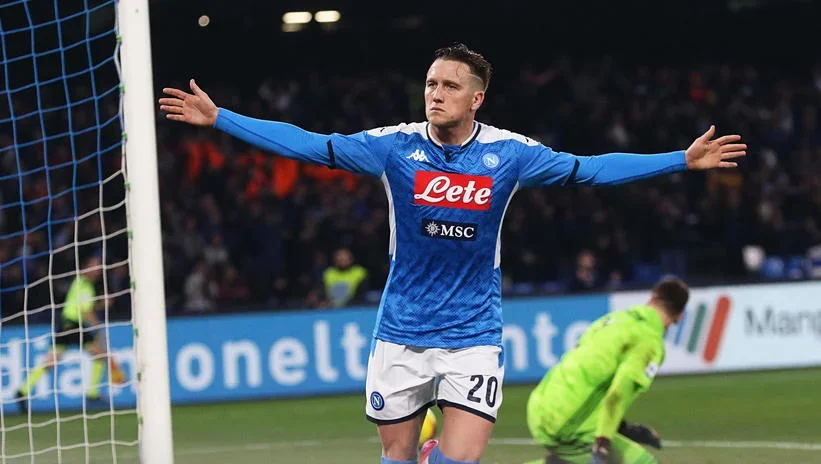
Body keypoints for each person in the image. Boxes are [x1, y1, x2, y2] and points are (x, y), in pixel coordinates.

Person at [158, 43, 744, 464]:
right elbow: (313, 145)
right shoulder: (394, 147)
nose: (435, 94)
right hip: (401, 331)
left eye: (450, 86)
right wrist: (221, 118)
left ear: (477, 98)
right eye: (431, 83)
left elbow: (589, 170)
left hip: (472, 333)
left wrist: (680, 159)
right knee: (397, 458)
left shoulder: (510, 154)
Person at [523, 276, 690, 464]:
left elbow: (589, 370)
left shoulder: (614, 319)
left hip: (541, 403)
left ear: (651, 298)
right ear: (679, 317)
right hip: (567, 422)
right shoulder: (650, 342)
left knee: (578, 458)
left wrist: (623, 428)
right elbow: (618, 393)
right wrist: (603, 443)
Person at [16, 256, 125, 413]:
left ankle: (22, 391)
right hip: (73, 325)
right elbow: (86, 311)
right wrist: (98, 327)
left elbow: (86, 305)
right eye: (95, 265)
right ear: (86, 266)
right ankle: (92, 394)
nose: (98, 269)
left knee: (54, 360)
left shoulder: (82, 283)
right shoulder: (84, 284)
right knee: (100, 355)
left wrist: (101, 304)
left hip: (67, 324)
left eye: (99, 266)